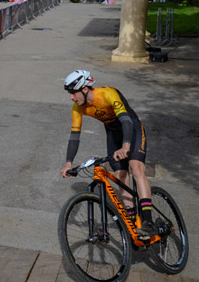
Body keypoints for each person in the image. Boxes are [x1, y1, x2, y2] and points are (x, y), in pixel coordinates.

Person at [60, 70, 157, 239]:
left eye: (73, 92)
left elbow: (126, 121)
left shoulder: (107, 94)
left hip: (131, 129)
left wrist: (126, 146)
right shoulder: (78, 108)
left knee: (135, 167)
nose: (71, 98)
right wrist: (68, 163)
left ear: (84, 88)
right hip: (113, 134)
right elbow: (74, 136)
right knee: (120, 175)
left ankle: (148, 222)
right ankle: (134, 224)